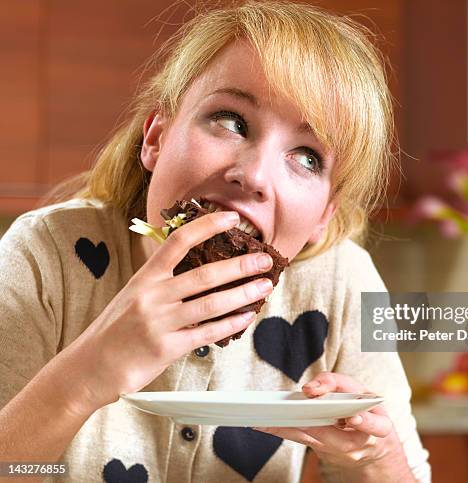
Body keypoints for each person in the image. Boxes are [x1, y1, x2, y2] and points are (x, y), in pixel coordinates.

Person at [0, 1, 431, 482]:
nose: (252, 176)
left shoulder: (338, 282)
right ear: (156, 138)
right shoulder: (47, 257)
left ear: (324, 215)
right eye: (231, 121)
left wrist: (373, 459)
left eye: (307, 157)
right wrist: (84, 379)